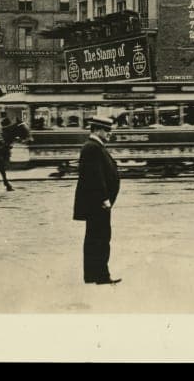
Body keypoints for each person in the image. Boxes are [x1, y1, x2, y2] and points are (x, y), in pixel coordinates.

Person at [74, 114, 122, 285]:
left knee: (96, 238)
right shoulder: (92, 148)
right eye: (107, 130)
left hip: (97, 203)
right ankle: (100, 276)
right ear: (98, 130)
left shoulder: (94, 146)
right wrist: (104, 198)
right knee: (100, 239)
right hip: (98, 204)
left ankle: (94, 275)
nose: (110, 133)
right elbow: (95, 177)